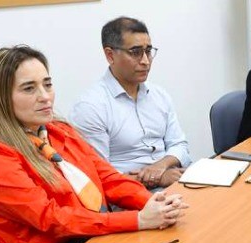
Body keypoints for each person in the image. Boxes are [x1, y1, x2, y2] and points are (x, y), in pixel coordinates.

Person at [0, 46, 188, 243]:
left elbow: (106, 177)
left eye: (47, 84)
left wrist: (155, 202)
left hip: (86, 237)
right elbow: (51, 218)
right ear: (0, 98)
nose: (45, 97)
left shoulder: (58, 131)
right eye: (29, 88)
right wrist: (137, 219)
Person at [70, 17, 191, 190]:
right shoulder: (90, 107)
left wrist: (161, 166)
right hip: (130, 196)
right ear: (110, 55)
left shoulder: (159, 95)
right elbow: (98, 178)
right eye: (135, 52)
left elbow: (179, 145)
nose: (145, 61)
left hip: (173, 180)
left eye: (148, 51)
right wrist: (158, 178)